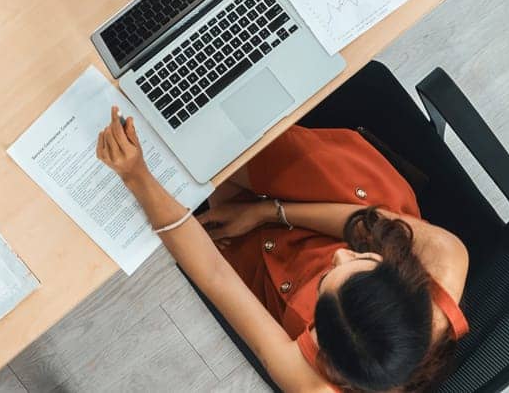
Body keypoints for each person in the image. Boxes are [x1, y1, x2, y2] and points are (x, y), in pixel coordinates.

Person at [96, 110, 468, 392]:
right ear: (404, 276)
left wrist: (136, 177)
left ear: (319, 343)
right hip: (354, 208)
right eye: (360, 260)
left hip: (283, 280)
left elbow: (215, 276)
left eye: (326, 282)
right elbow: (362, 225)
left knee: (204, 179)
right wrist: (267, 211)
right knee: (223, 142)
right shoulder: (447, 258)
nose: (340, 256)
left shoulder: (313, 386)